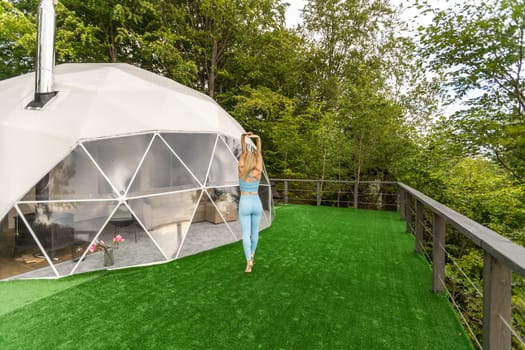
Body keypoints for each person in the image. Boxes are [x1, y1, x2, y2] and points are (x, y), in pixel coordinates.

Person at [238, 132, 263, 273]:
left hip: (245, 202)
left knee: (245, 234)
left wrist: (243, 137)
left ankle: (249, 262)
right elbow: (258, 153)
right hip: (256, 202)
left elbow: (243, 151)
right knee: (255, 232)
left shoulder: (241, 169)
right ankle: (253, 253)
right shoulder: (258, 171)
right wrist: (257, 138)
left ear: (245, 159)